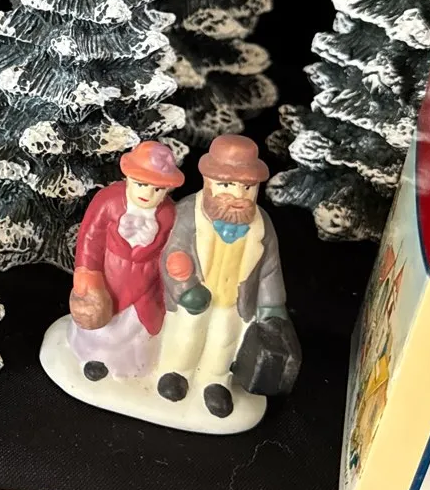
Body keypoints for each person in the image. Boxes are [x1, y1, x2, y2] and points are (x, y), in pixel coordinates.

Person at [157, 135, 300, 419]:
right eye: (226, 185)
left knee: (224, 339)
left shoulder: (262, 225)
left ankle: (214, 381)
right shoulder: (188, 213)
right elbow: (173, 253)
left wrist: (272, 307)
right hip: (194, 297)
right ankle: (176, 372)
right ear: (208, 181)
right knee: (187, 334)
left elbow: (270, 270)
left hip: (234, 302)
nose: (237, 196)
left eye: (246, 187)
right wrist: (185, 286)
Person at [69, 141, 184, 381]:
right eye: (141, 184)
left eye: (157, 189)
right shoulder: (108, 200)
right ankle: (93, 357)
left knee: (135, 329)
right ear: (128, 177)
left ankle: (131, 367)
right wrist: (88, 277)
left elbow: (172, 248)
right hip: (110, 279)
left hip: (145, 284)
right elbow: (90, 238)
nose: (147, 194)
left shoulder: (169, 214)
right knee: (104, 323)